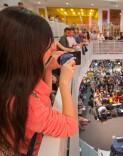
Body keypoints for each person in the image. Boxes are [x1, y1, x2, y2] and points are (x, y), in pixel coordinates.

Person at [0, 7, 78, 155]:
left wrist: (47, 69)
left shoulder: (13, 82)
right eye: (47, 45)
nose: (53, 48)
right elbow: (70, 126)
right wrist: (64, 83)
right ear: (27, 52)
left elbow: (44, 99)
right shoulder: (23, 103)